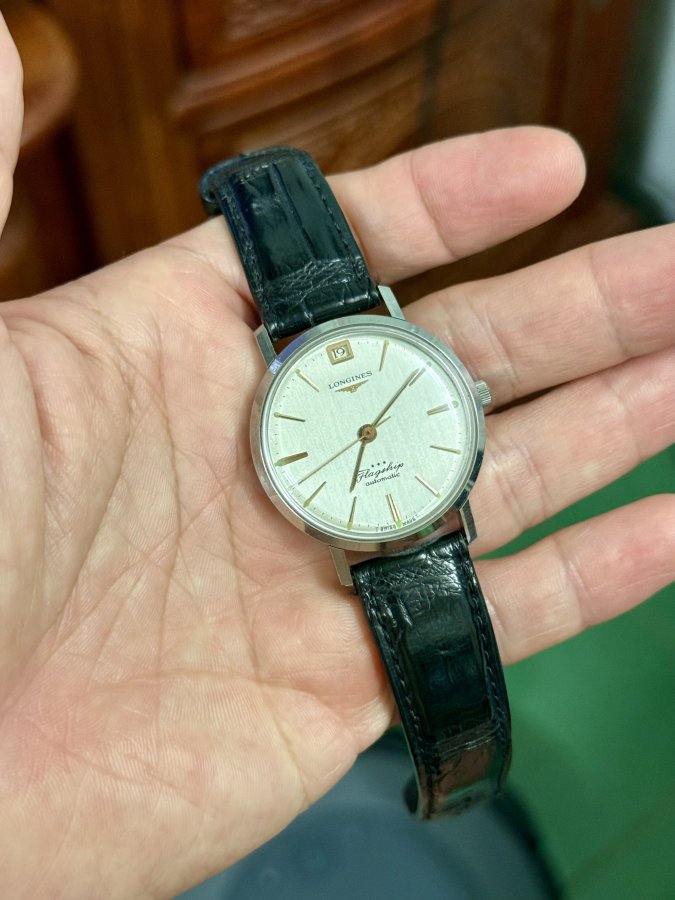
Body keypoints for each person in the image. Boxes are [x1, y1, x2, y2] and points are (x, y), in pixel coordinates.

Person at [0, 15, 673, 898]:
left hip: (417, 511)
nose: (365, 431)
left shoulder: (427, 413)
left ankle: (458, 792)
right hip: (373, 527)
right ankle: (460, 793)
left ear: (464, 397)